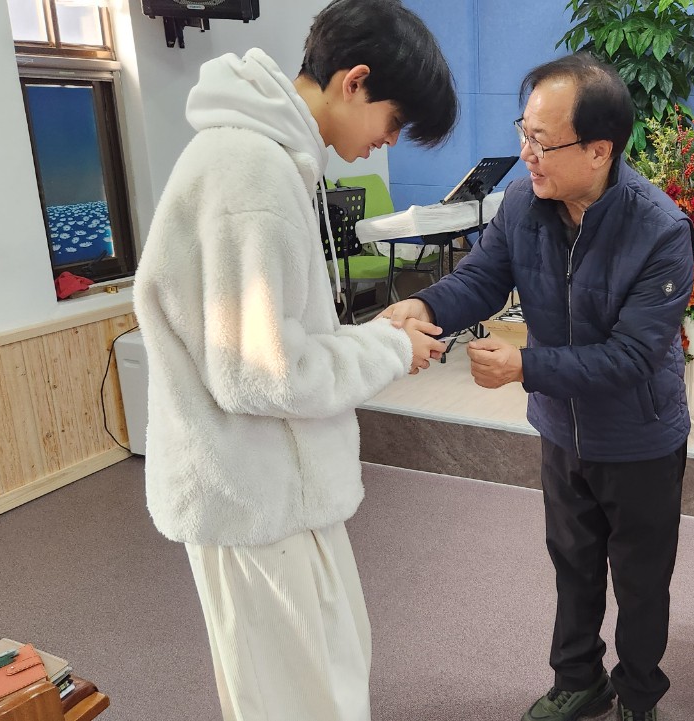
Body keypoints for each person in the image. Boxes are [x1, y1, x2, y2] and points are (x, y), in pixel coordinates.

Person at [132, 1, 456, 719]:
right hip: (254, 496)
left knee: (318, 679)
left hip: (269, 488)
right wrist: (387, 347)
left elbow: (274, 342)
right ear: (354, 81)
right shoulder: (252, 172)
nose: (387, 141)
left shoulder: (265, 159)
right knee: (303, 699)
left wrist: (376, 333)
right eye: (394, 121)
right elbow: (264, 374)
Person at [383, 53, 694, 721]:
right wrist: (426, 305)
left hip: (639, 436)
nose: (526, 155)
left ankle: (639, 697)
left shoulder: (660, 229)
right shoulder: (525, 202)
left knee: (641, 580)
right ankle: (579, 680)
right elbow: (482, 278)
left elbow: (632, 357)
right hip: (562, 429)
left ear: (599, 150)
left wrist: (525, 366)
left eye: (542, 142)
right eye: (523, 134)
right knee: (573, 562)